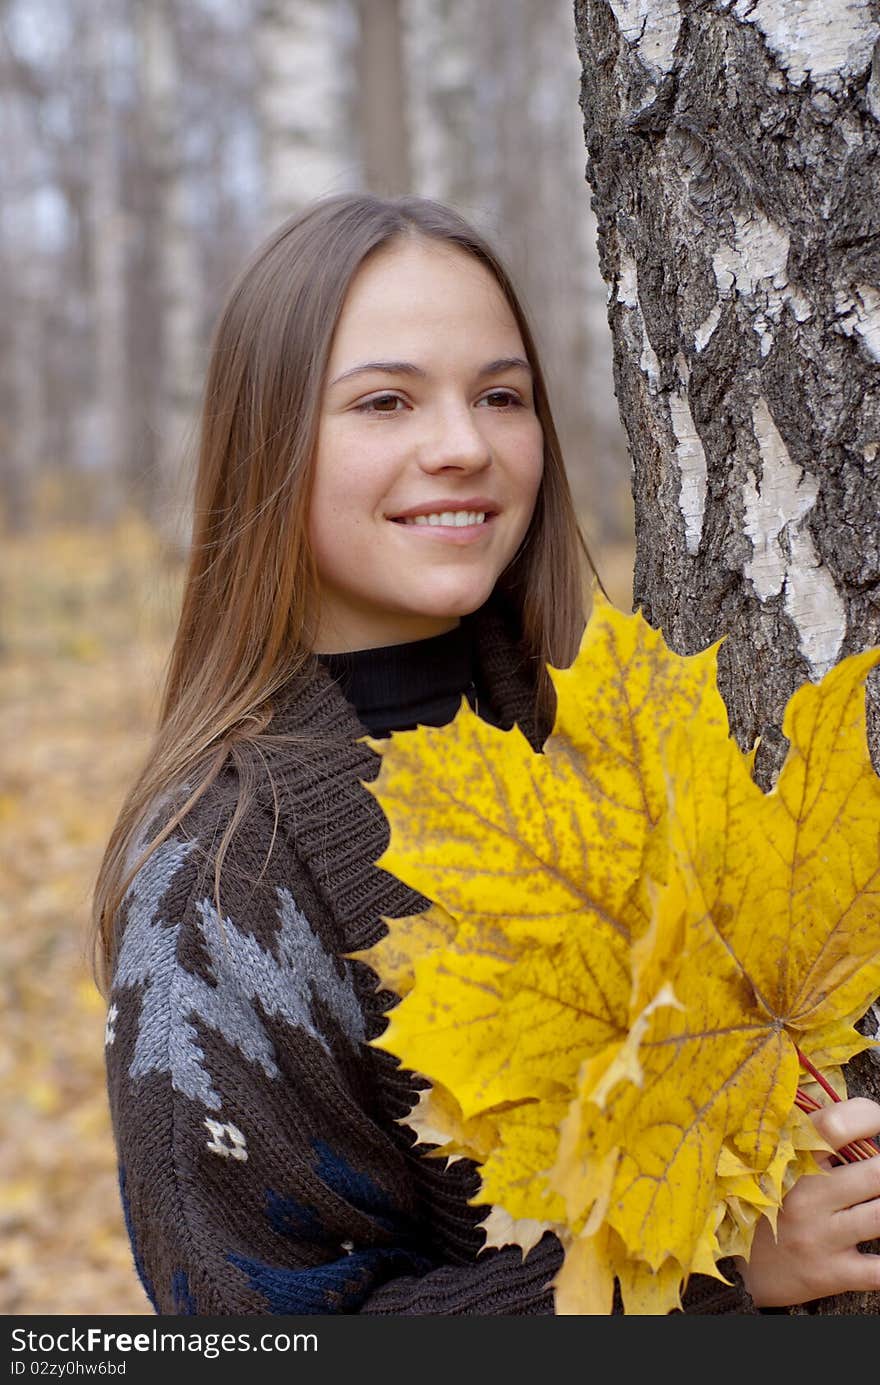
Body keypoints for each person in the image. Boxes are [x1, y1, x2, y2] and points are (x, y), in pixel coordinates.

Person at [91, 192, 880, 1316]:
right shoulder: (217, 885)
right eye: (385, 400)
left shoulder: (619, 741)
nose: (461, 446)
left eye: (500, 395)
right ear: (267, 439)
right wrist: (702, 1271)